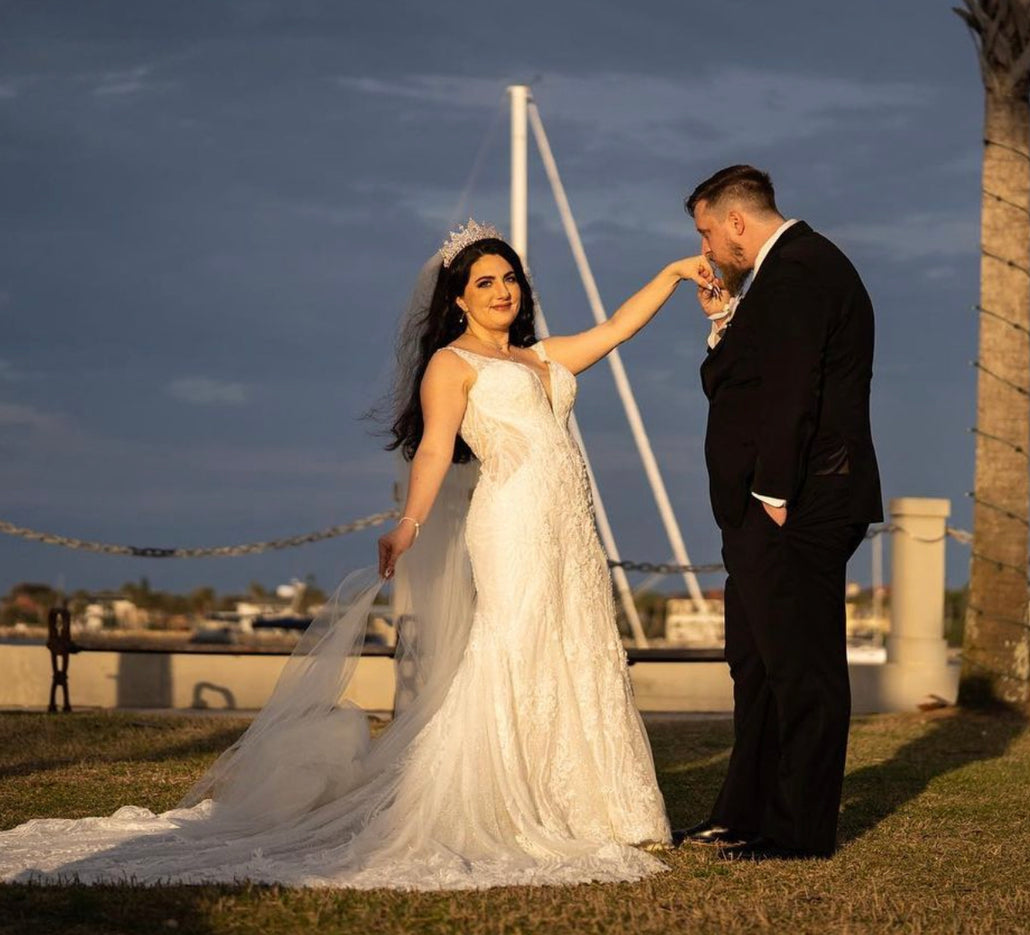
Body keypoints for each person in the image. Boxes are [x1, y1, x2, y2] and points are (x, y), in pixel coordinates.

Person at [0, 220, 717, 890]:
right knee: (518, 646)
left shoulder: (540, 357)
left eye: (511, 279)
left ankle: (600, 808)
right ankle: (497, 798)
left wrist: (676, 270)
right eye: (486, 283)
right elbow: (435, 446)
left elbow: (618, 328)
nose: (503, 291)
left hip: (572, 528)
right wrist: (407, 522)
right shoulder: (451, 362)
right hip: (515, 522)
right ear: (460, 300)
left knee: (578, 644)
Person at [675, 166, 883, 860]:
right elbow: (749, 378)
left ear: (736, 221)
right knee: (757, 665)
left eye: (706, 231)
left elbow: (792, 392)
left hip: (799, 501)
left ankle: (797, 831)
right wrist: (723, 318)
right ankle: (743, 813)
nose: (706, 247)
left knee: (802, 669)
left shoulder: (799, 270)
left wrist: (772, 495)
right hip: (774, 503)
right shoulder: (783, 275)